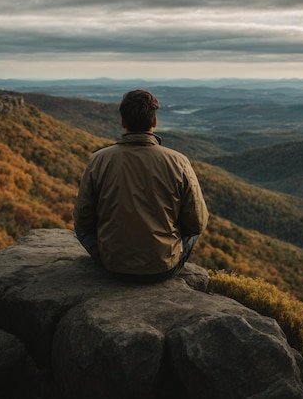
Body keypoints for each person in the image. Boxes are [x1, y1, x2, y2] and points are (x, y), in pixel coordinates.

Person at [74, 88, 209, 283]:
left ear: (123, 122)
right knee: (191, 226)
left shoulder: (98, 160)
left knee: (78, 225)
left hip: (113, 265)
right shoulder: (179, 162)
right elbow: (197, 223)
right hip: (163, 268)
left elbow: (83, 219)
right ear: (154, 122)